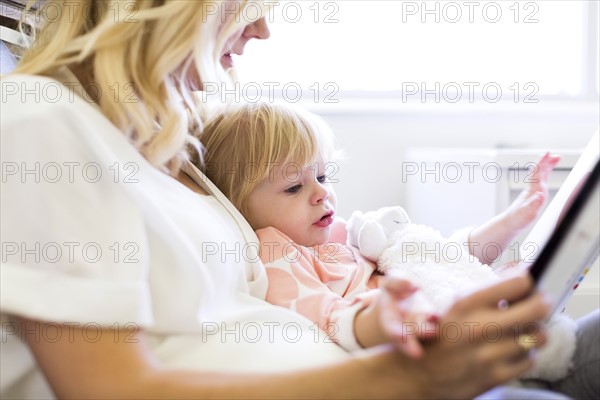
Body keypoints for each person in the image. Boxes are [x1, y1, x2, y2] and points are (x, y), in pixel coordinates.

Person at [0, 1, 595, 399]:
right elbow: (115, 390)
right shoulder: (39, 119)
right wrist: (408, 375)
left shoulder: (164, 154)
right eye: (249, 4)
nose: (264, 29)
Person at [199, 101, 560, 354]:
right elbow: (326, 317)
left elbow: (438, 258)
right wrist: (391, 315)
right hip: (436, 338)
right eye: (294, 187)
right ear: (239, 204)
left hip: (457, 314)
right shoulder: (274, 251)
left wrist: (513, 220)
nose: (322, 192)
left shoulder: (344, 235)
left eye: (323, 175)